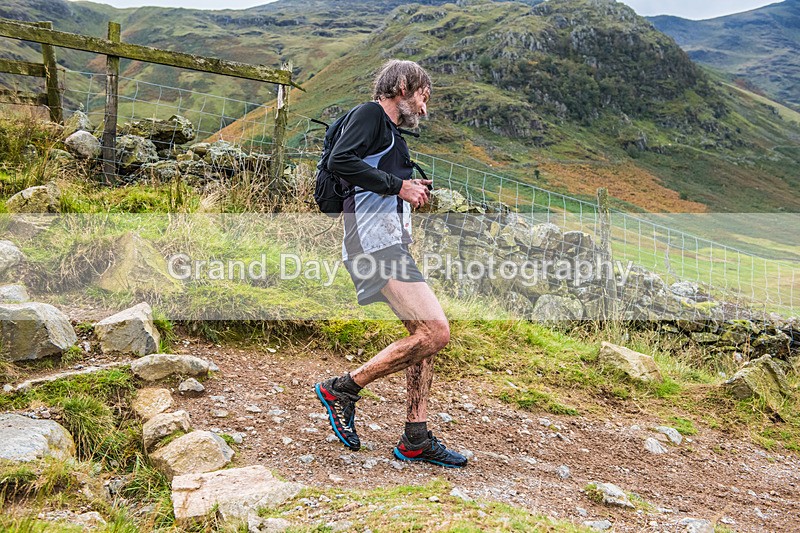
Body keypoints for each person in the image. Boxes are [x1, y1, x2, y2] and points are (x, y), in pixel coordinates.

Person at [313, 60, 467, 468]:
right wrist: (399, 186)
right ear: (402, 86)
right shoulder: (370, 115)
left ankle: (416, 436)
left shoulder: (390, 134)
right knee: (436, 331)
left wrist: (408, 189)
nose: (424, 108)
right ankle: (342, 388)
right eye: (423, 96)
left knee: (423, 335)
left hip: (388, 245)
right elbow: (340, 161)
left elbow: (370, 177)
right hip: (373, 248)